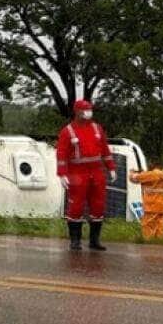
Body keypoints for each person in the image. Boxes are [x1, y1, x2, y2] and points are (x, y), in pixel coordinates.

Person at [56, 99, 116, 251]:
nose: (89, 113)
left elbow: (105, 151)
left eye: (90, 109)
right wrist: (62, 174)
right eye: (86, 110)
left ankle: (94, 241)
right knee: (76, 206)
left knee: (98, 206)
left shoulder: (97, 128)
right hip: (77, 173)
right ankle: (75, 241)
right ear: (77, 112)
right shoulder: (67, 131)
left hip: (96, 172)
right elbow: (61, 154)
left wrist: (111, 168)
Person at [129, 163, 163, 240]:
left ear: (152, 165)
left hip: (152, 205)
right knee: (160, 225)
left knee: (148, 225)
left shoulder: (151, 175)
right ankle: (159, 241)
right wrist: (144, 173)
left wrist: (132, 172)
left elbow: (134, 178)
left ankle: (148, 242)